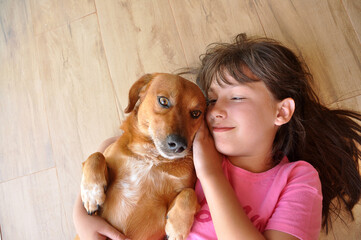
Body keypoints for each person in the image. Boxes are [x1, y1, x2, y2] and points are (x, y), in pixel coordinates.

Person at [73, 33, 361, 240]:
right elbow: (115, 148)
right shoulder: (190, 154)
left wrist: (210, 175)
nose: (215, 111)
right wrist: (81, 218)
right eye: (210, 101)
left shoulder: (298, 178)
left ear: (282, 111)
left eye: (236, 97)